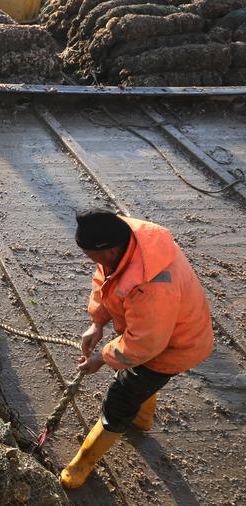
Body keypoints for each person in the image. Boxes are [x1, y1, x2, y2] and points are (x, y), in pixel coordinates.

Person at [60, 209, 214, 489]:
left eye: (92, 257)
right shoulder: (122, 237)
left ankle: (82, 463)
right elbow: (104, 278)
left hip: (175, 345)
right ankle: (142, 419)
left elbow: (145, 345)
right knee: (141, 380)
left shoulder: (152, 286)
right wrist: (97, 322)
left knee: (121, 396)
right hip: (156, 331)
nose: (91, 262)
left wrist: (102, 358)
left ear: (110, 250)